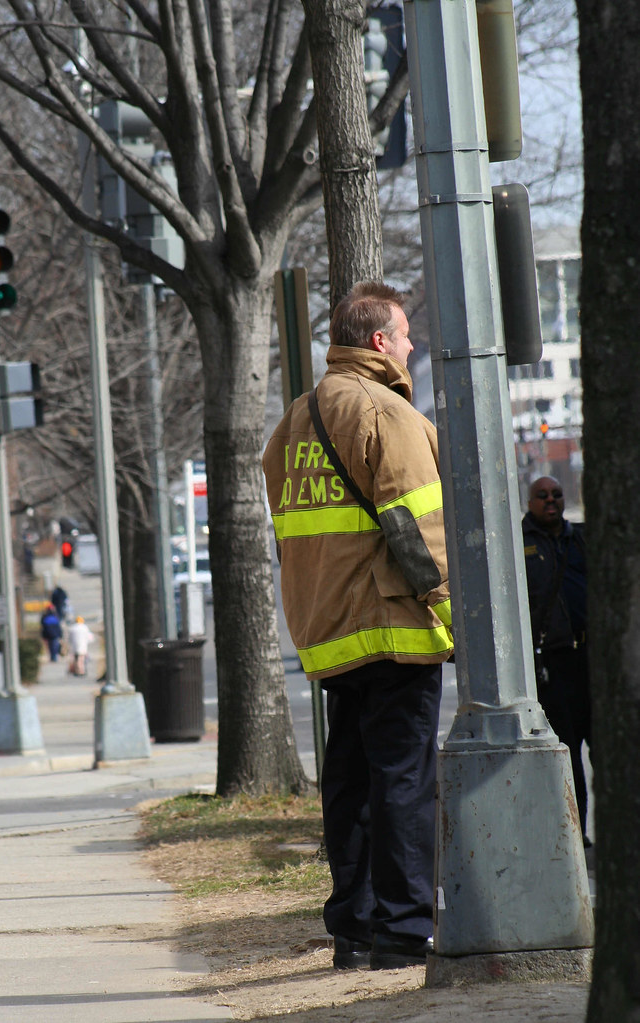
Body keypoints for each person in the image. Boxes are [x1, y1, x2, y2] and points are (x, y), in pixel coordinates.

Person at [262, 281, 453, 971]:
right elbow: (418, 530)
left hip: (330, 629)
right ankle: (404, 930)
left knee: (350, 780)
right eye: (404, 335)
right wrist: (458, 617)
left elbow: (295, 536)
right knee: (403, 779)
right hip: (392, 625)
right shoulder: (385, 412)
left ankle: (355, 927)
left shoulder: (294, 421)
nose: (410, 345)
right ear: (379, 342)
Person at [523, 475, 591, 845]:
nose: (551, 501)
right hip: (554, 662)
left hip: (592, 659)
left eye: (556, 494)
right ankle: (577, 834)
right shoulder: (519, 544)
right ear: (530, 501)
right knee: (568, 752)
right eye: (542, 496)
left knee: (607, 749)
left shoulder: (580, 537)